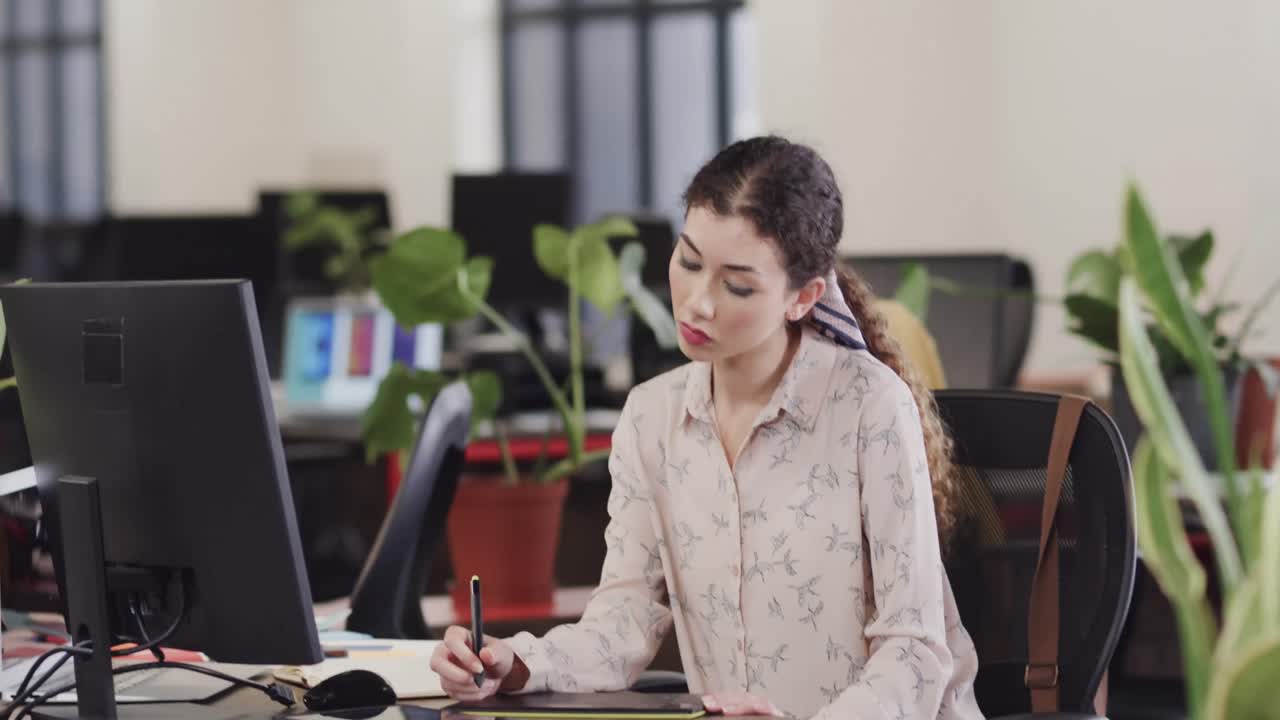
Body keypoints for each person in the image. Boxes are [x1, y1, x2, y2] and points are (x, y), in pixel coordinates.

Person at [430, 136, 983, 719]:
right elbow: (621, 626)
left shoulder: (871, 407)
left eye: (737, 285)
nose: (697, 303)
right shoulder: (653, 417)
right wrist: (511, 665)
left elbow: (915, 654)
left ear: (804, 297)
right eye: (689, 262)